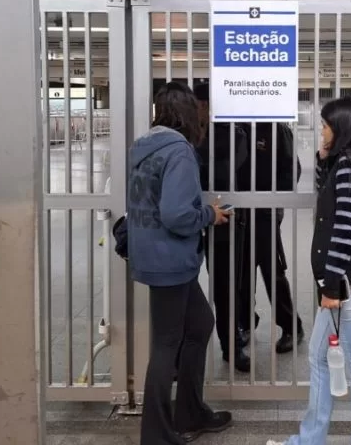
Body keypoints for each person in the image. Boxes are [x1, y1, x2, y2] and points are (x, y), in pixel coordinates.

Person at [268, 96, 351, 445]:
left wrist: (330, 286)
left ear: (341, 129)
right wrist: (324, 161)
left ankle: (345, 440)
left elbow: (344, 228)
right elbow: (337, 203)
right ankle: (322, 439)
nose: (321, 131)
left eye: (325, 126)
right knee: (334, 359)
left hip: (346, 284)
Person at [127, 81, 233, 445]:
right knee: (166, 344)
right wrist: (209, 214)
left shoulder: (145, 147)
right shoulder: (180, 152)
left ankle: (190, 412)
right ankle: (157, 434)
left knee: (201, 324)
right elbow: (175, 213)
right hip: (170, 259)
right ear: (189, 113)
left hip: (158, 256)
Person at [193, 82, 254, 373]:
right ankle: (185, 350)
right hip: (192, 217)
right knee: (188, 286)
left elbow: (235, 172)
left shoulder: (233, 134)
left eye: (203, 103)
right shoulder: (186, 136)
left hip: (224, 217)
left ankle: (231, 346)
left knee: (226, 286)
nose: (200, 109)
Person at [240, 122, 305, 354]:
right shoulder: (237, 125)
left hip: (266, 209)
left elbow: (292, 170)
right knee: (241, 270)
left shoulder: (277, 129)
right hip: (240, 208)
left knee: (271, 270)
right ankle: (245, 322)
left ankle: (291, 327)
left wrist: (274, 200)